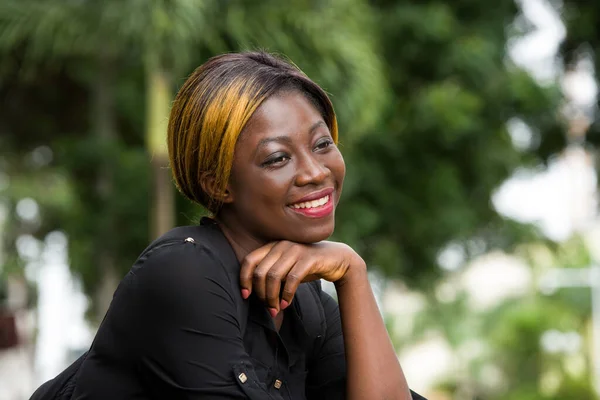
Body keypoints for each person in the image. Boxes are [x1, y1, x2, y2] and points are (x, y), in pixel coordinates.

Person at [61, 51, 426, 399]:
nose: (316, 172)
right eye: (277, 158)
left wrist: (353, 272)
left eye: (322, 144)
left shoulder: (304, 301)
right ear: (218, 183)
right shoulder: (183, 274)